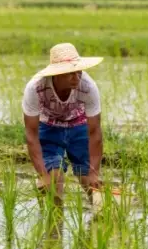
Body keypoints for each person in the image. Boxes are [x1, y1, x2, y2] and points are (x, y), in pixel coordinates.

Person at [22, 42, 104, 207]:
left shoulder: (88, 87)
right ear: (57, 74)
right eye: (70, 74)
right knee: (54, 178)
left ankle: (100, 215)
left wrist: (94, 173)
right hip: (49, 127)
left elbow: (94, 131)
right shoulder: (35, 88)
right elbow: (31, 134)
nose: (76, 77)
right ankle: (55, 224)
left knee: (89, 179)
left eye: (78, 72)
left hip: (79, 125)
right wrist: (42, 174)